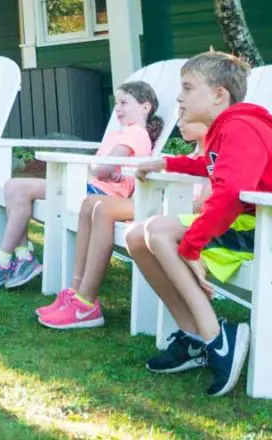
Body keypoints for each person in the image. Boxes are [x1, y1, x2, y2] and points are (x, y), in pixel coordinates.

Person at [123, 51, 272, 397]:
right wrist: (166, 162)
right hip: (250, 226)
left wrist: (192, 246)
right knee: (136, 234)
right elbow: (210, 167)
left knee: (159, 231)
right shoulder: (227, 129)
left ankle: (217, 338)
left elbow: (229, 194)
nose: (179, 97)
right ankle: (194, 338)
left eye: (188, 88)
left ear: (219, 94)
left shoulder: (241, 128)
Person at [0, 80, 165, 293]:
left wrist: (93, 169)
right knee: (13, 187)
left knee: (18, 188)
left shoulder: (135, 133)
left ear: (145, 106)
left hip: (99, 193)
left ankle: (4, 260)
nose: (117, 108)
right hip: (90, 186)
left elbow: (101, 168)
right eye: (116, 103)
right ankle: (21, 257)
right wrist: (98, 168)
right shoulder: (122, 133)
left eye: (124, 103)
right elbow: (104, 167)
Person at [37, 110, 199, 330]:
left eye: (185, 116)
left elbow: (201, 202)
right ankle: (75, 292)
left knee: (103, 209)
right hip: (162, 206)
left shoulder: (210, 157)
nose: (180, 121)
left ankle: (86, 303)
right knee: (90, 202)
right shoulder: (193, 156)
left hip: (172, 214)